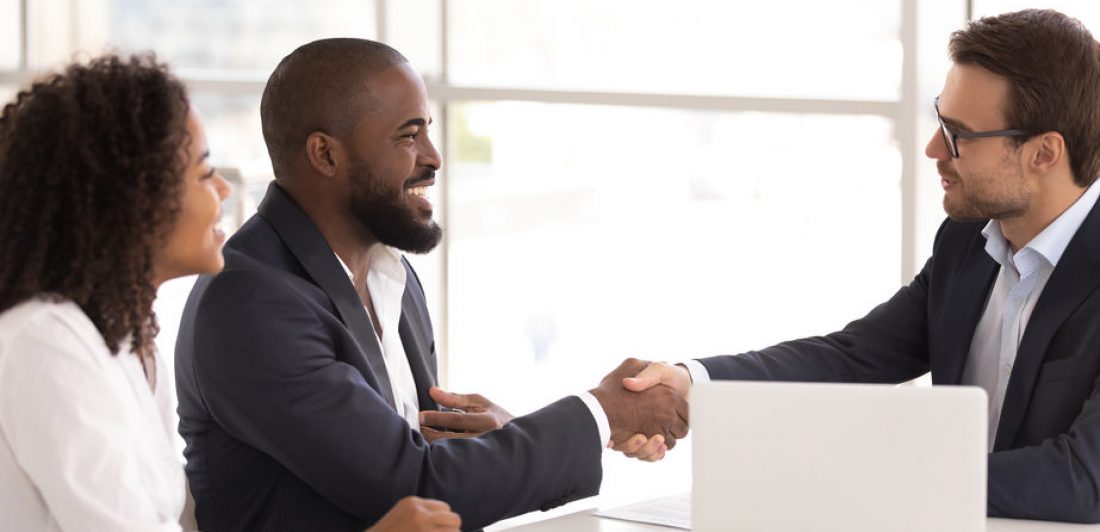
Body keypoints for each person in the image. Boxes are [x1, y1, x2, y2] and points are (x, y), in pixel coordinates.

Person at [174, 38, 688, 532]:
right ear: (325, 155)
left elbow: (422, 460)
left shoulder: (389, 275)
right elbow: (415, 487)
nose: (435, 156)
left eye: (429, 131)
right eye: (408, 135)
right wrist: (601, 414)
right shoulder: (252, 303)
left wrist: (511, 434)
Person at [619, 9, 1100, 523]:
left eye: (958, 134)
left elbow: (1082, 479)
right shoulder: (967, 241)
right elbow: (851, 358)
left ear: (1044, 153)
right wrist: (691, 383)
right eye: (940, 120)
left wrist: (855, 472)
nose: (933, 148)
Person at [0, 54, 462, 532]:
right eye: (202, 172)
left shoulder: (126, 344)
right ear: (126, 199)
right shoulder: (47, 344)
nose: (222, 189)